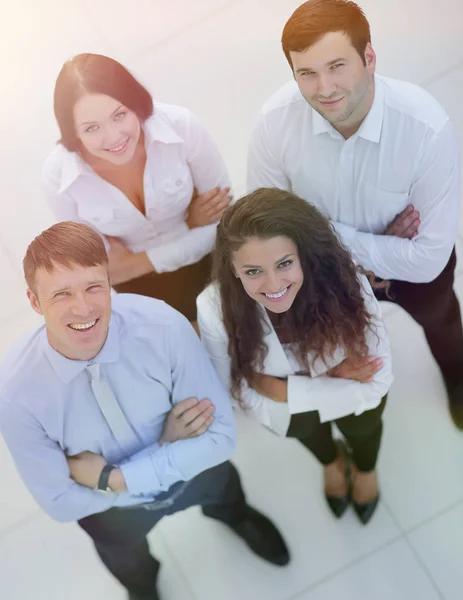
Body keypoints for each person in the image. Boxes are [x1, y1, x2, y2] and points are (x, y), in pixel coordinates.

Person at [0, 222, 289, 600]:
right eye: (61, 294)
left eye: (93, 287)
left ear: (109, 282)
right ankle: (144, 587)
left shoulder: (163, 326)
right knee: (130, 564)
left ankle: (233, 517)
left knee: (226, 495)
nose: (83, 307)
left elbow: (221, 439)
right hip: (118, 511)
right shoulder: (15, 392)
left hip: (119, 489)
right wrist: (168, 445)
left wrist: (111, 479)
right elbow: (60, 503)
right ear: (35, 301)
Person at [247, 0, 463, 428]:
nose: (324, 87)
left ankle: (458, 380)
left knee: (443, 324)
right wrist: (364, 250)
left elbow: (428, 258)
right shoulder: (274, 123)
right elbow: (264, 228)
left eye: (337, 66)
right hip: (322, 271)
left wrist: (316, 229)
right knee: (338, 352)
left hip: (404, 273)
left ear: (369, 57)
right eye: (306, 73)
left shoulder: (425, 129)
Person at [197, 188, 393, 524]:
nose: (272, 284)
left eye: (285, 263)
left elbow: (376, 384)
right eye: (253, 271)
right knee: (306, 430)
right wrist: (332, 378)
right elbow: (236, 391)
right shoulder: (213, 308)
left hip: (303, 400)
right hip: (289, 412)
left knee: (364, 425)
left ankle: (365, 468)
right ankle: (330, 461)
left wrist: (284, 390)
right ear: (232, 268)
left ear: (305, 254)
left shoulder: (348, 285)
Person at [42, 53, 233, 324]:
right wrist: (190, 223)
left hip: (213, 260)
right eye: (91, 128)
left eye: (119, 115)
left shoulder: (182, 127)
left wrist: (137, 262)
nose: (114, 137)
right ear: (72, 131)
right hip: (141, 291)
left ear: (134, 103)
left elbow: (227, 223)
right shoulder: (58, 177)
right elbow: (101, 271)